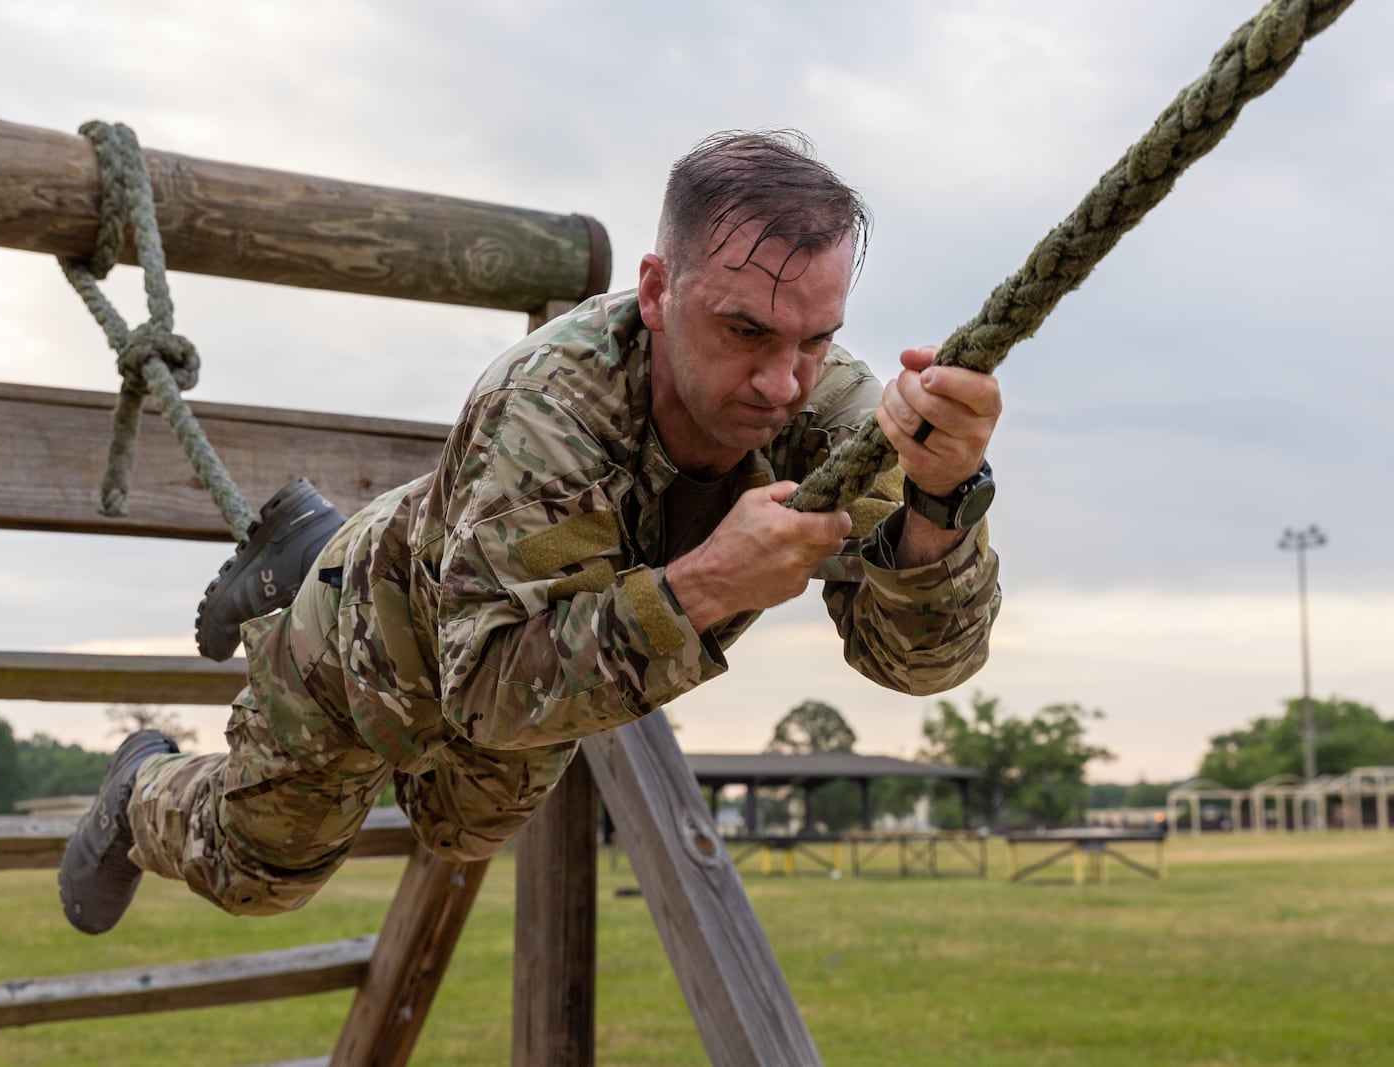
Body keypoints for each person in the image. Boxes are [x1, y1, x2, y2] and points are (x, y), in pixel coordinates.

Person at [59, 129, 1003, 933]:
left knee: (461, 828)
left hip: (531, 620)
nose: (782, 382)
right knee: (264, 872)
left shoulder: (832, 413)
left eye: (815, 337)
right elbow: (487, 695)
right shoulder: (547, 407)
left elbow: (917, 665)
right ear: (656, 291)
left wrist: (941, 504)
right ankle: (151, 770)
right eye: (745, 331)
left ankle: (323, 544)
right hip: (382, 638)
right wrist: (709, 584)